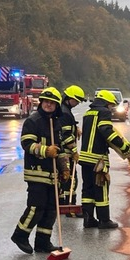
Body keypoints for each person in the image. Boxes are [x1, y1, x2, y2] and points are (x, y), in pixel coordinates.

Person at [11, 87, 66, 254]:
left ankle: (42, 242)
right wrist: (45, 151)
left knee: (51, 209)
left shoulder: (56, 123)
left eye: (52, 103)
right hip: (37, 173)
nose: (48, 105)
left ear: (57, 105)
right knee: (36, 207)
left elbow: (61, 150)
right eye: (46, 102)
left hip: (53, 174)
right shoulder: (33, 121)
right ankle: (20, 235)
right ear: (41, 102)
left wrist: (65, 168)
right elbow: (26, 144)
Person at [78, 89, 130, 229]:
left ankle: (88, 219)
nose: (111, 108)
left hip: (85, 157)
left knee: (88, 189)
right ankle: (104, 220)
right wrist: (123, 147)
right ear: (106, 103)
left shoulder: (88, 113)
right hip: (98, 159)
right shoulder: (104, 112)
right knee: (101, 188)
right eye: (111, 105)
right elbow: (106, 131)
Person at [57, 85, 87, 213]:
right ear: (68, 98)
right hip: (65, 153)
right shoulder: (64, 112)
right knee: (71, 180)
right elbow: (65, 134)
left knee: (64, 179)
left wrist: (76, 128)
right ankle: (70, 208)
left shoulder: (64, 110)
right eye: (76, 101)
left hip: (63, 152)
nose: (77, 104)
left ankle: (62, 204)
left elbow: (68, 127)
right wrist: (74, 151)